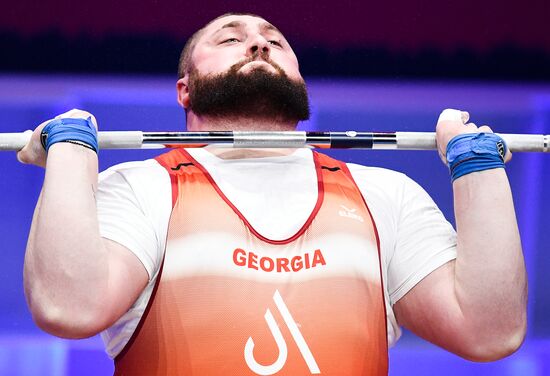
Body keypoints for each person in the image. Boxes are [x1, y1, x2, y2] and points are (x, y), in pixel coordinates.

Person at [18, 13, 527, 376]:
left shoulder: (384, 195)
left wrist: (477, 170)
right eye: (230, 39)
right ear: (185, 89)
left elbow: (489, 331)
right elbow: (68, 307)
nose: (259, 45)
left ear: (301, 78)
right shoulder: (142, 186)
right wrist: (71, 158)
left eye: (276, 41)